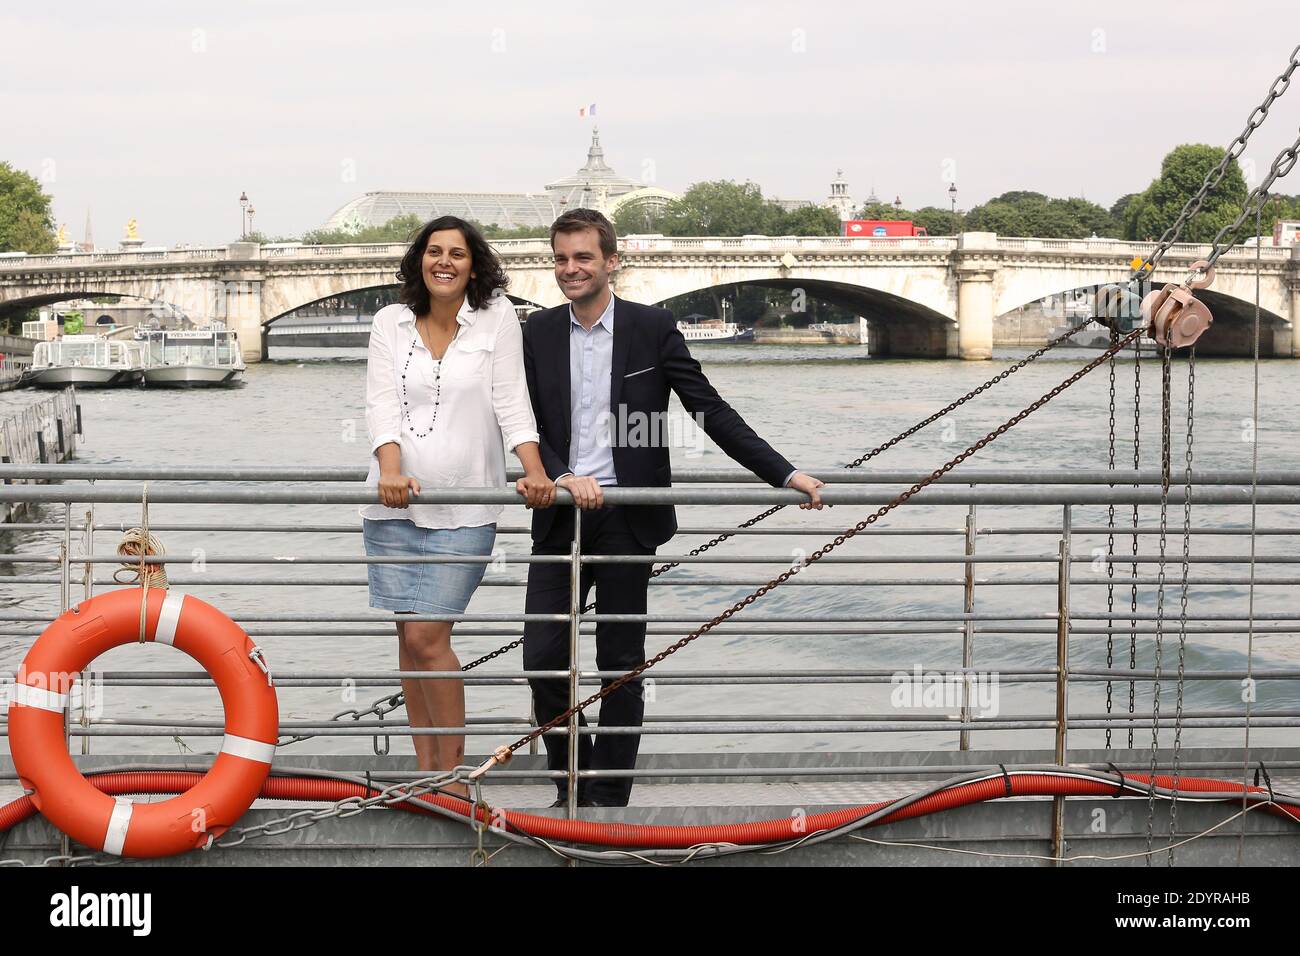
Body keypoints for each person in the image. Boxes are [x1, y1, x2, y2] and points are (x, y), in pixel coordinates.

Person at [522, 208, 825, 808]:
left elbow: (708, 410)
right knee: (543, 658)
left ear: (612, 261)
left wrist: (782, 472)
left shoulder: (651, 328)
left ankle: (607, 800)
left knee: (620, 664)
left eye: (582, 257)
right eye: (560, 258)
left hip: (629, 515)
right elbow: (521, 421)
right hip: (559, 511)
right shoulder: (536, 333)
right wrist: (558, 474)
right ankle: (571, 782)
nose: (570, 269)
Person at [360, 216, 554, 796]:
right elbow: (380, 404)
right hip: (394, 505)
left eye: (458, 254)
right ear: (420, 259)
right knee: (408, 639)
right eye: (434, 251)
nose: (444, 262)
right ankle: (425, 775)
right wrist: (390, 469)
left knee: (427, 637)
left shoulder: (497, 319)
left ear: (475, 265)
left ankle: (451, 776)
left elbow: (510, 400)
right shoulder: (389, 322)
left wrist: (535, 470)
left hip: (466, 505)